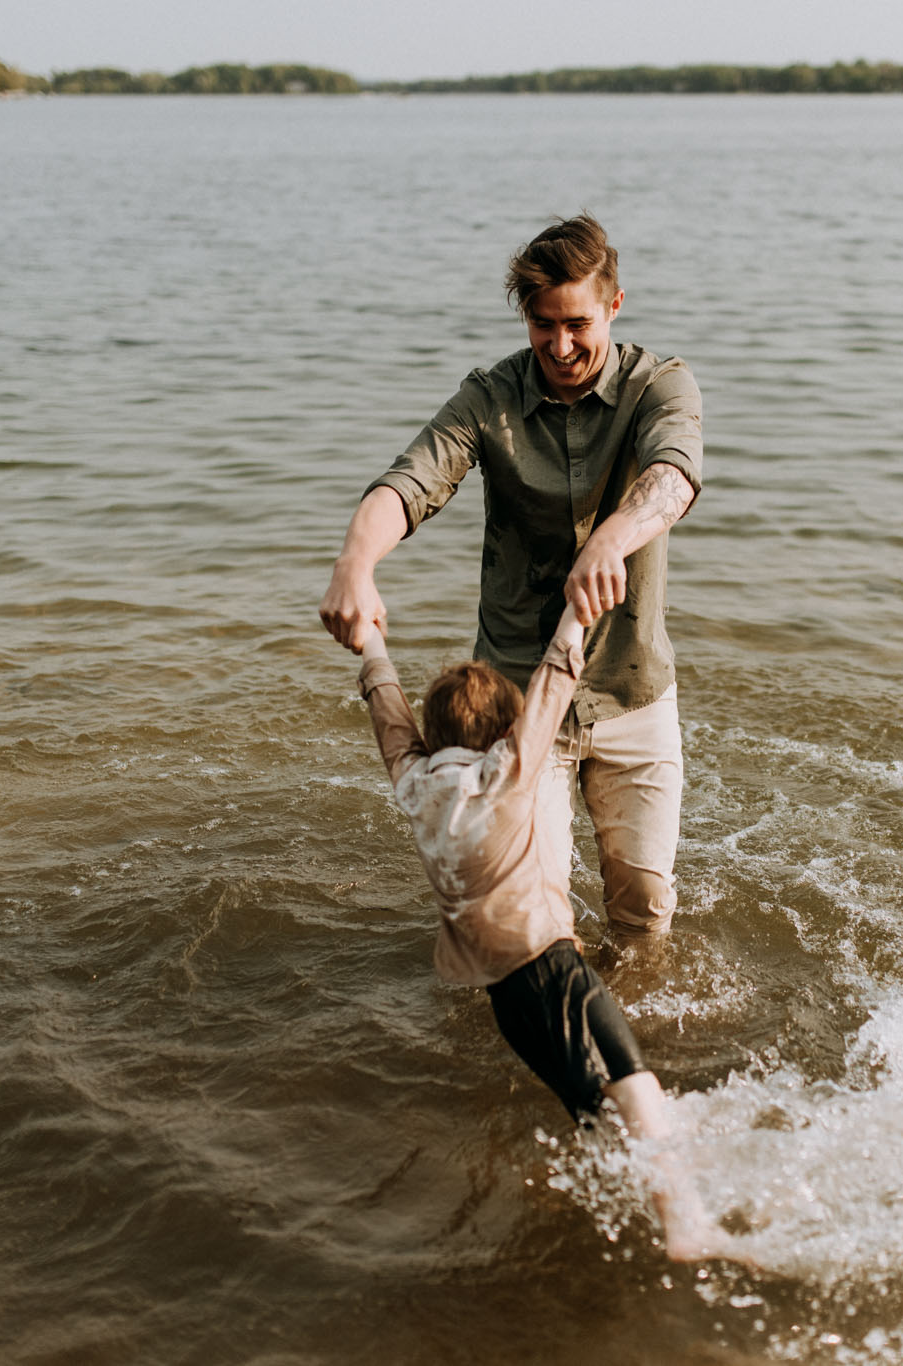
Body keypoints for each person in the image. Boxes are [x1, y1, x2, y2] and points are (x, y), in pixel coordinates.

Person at [320, 214, 700, 945]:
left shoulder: (662, 385)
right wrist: (354, 563)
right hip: (519, 703)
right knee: (529, 911)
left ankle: (639, 1036)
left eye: (578, 325)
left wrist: (611, 541)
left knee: (645, 909)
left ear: (614, 306)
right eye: (541, 325)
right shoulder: (489, 398)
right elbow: (409, 483)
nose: (560, 346)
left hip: (632, 689)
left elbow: (673, 478)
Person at [352, 601, 726, 1261]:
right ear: (504, 732)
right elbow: (555, 682)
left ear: (434, 741)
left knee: (589, 1105)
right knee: (635, 1082)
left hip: (502, 994)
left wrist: (371, 649)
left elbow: (389, 718)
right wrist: (578, 615)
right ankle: (684, 1226)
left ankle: (612, 1217)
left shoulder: (413, 785)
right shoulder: (509, 771)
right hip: (553, 964)